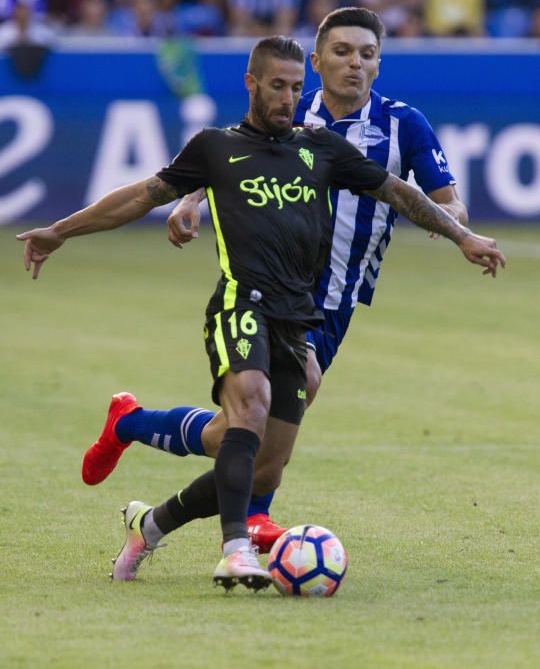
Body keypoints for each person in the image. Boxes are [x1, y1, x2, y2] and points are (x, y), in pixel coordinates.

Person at [18, 34, 505, 590]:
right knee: (249, 408)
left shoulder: (320, 147)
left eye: (296, 88)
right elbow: (139, 195)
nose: (288, 99)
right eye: (278, 87)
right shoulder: (216, 147)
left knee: (258, 461)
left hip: (300, 319)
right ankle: (235, 548)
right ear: (251, 83)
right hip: (239, 304)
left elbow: (399, 193)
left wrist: (462, 236)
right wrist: (60, 230)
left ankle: (149, 518)